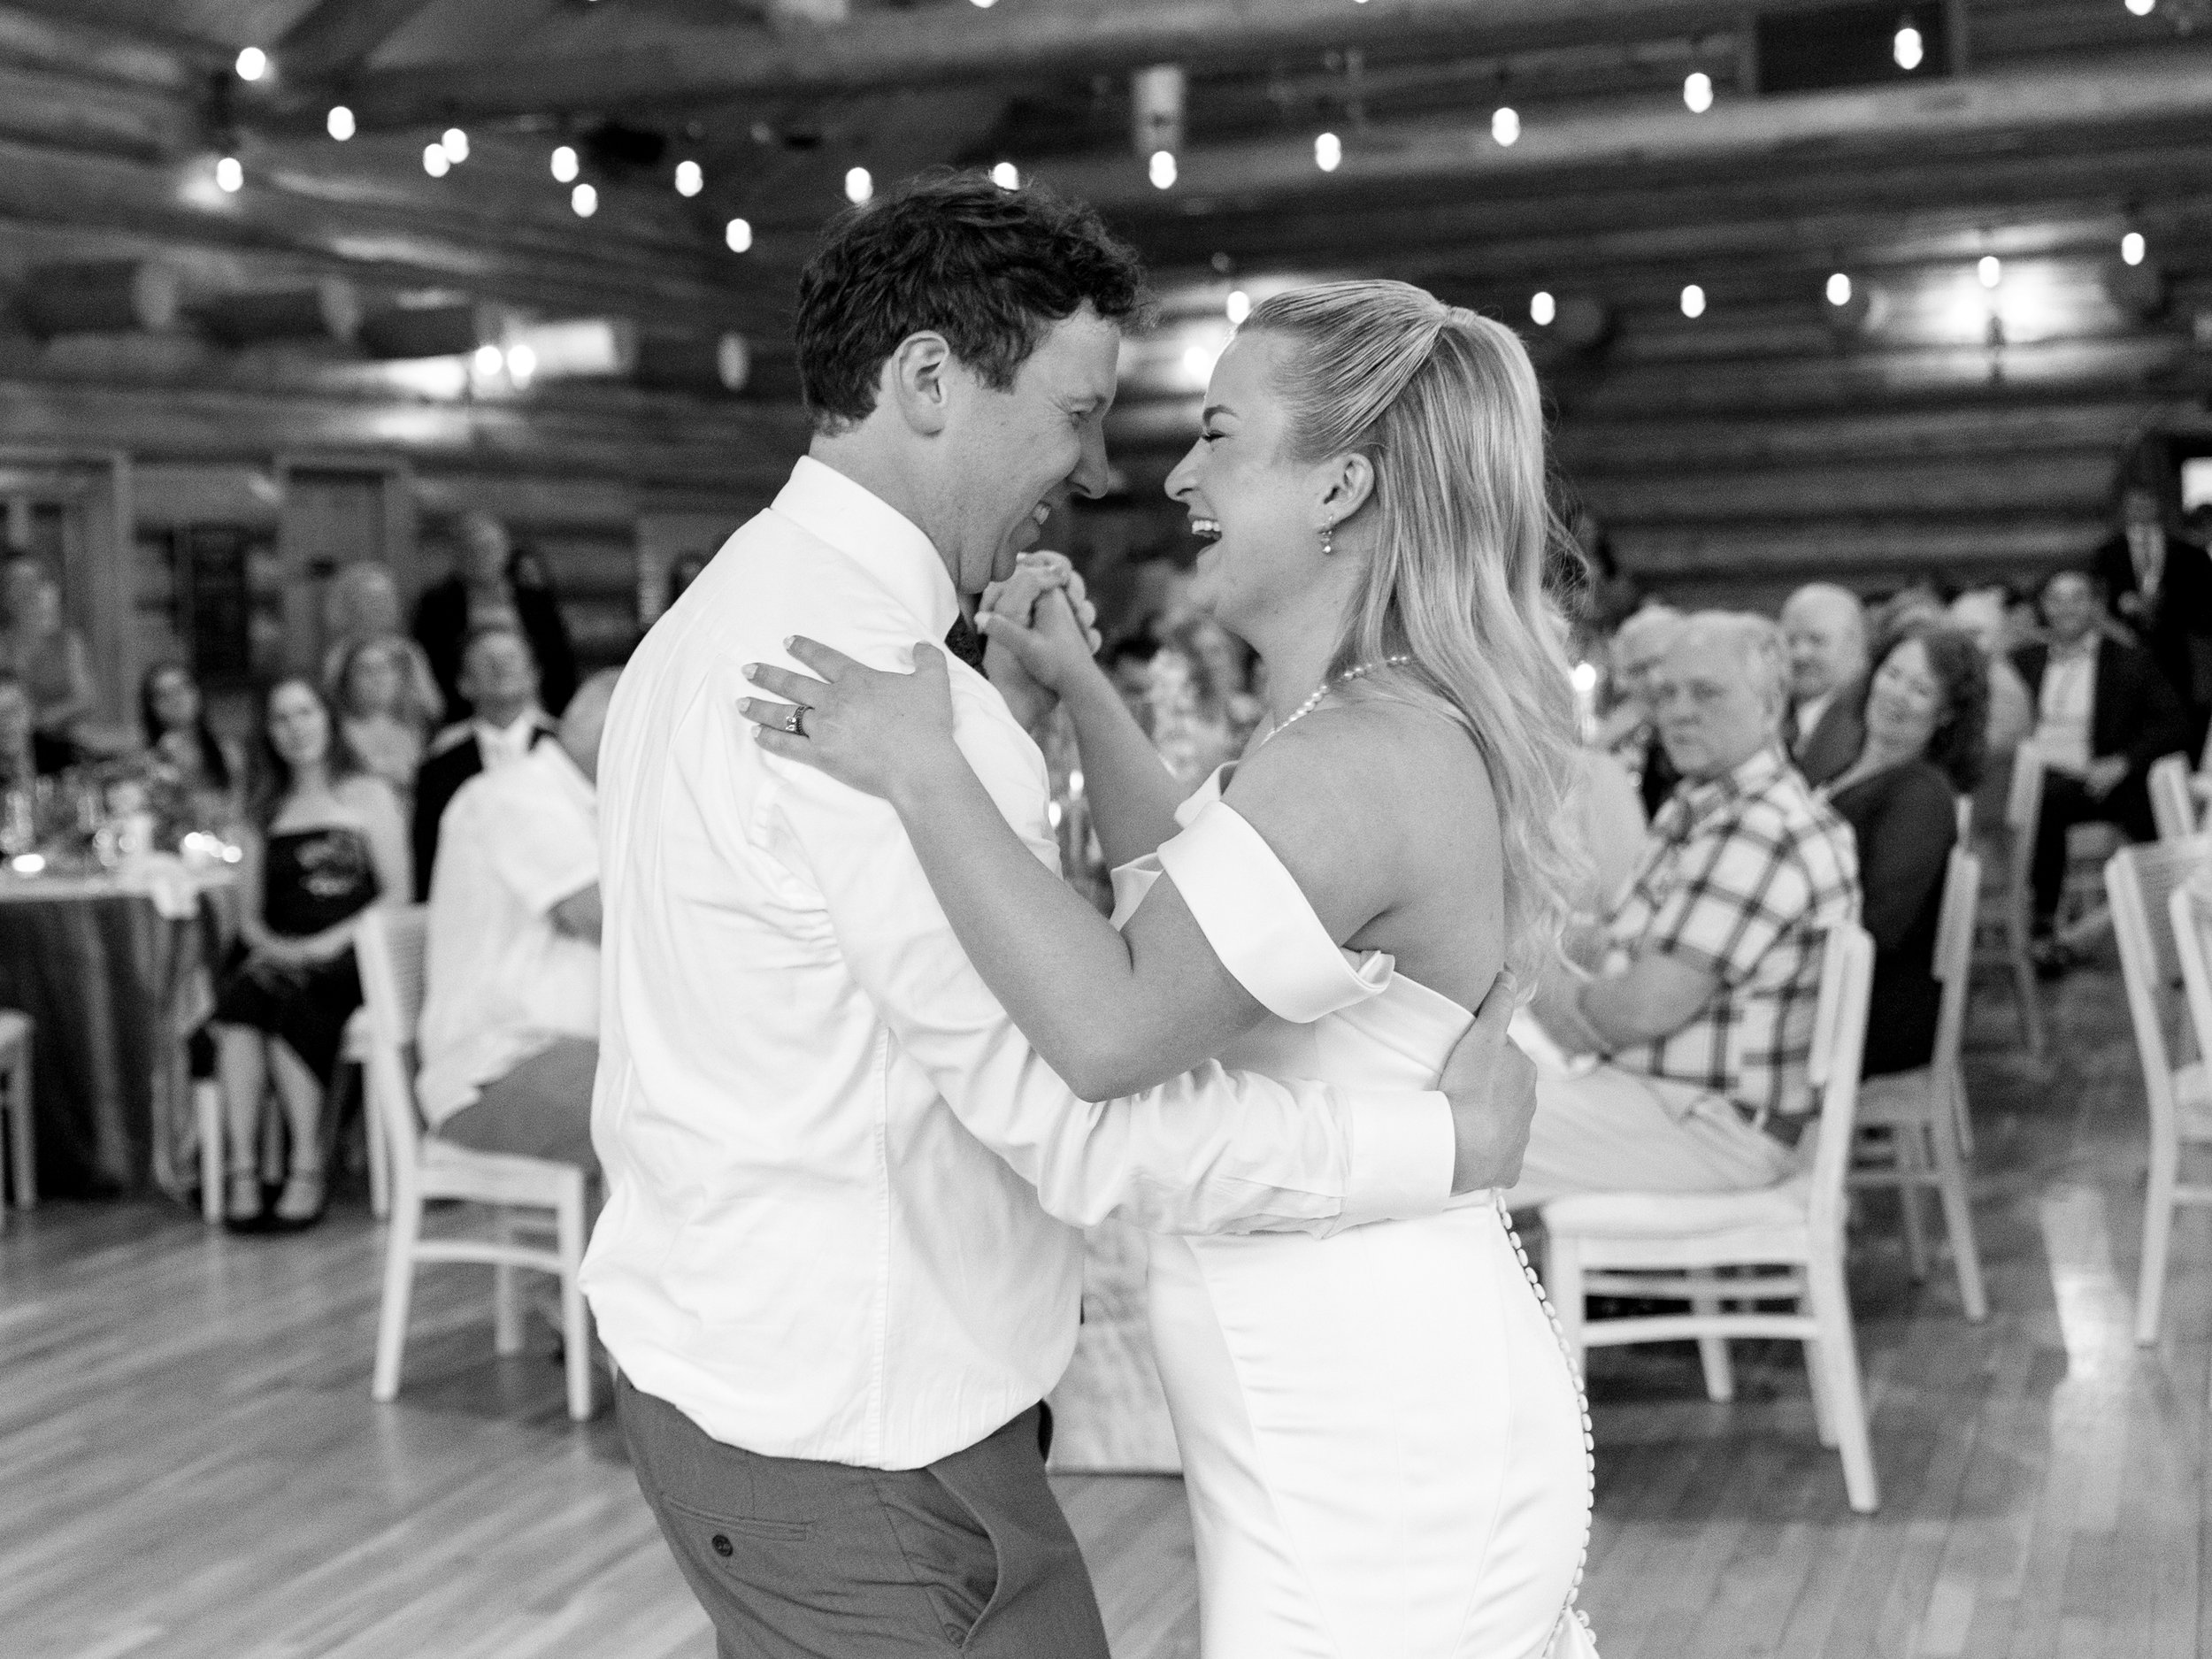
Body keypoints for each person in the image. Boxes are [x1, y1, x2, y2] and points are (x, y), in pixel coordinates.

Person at [587, 183, 1555, 1659]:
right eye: (1081, 412)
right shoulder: (877, 694)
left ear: (1346, 488)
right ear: (927, 380)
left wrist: (1000, 736)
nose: (1112, 472)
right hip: (859, 1427)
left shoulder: (732, 628)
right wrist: (1442, 1144)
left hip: (802, 1383)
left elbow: (1103, 998)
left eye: (1197, 434)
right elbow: (1079, 1094)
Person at [1503, 612, 1861, 1207]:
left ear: (1772, 704)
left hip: (1713, 1127)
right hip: (1669, 1099)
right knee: (1451, 1113)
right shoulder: (1705, 804)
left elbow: (1641, 1009)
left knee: (1449, 1139)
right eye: (1666, 693)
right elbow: (1623, 944)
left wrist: (1538, 974)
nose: (1678, 711)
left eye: (1707, 692)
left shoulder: (1762, 826)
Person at [209, 678, 408, 1229]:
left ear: (328, 718)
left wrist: (327, 943)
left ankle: (305, 1163)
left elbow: (396, 891)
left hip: (354, 948)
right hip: (280, 945)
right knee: (244, 999)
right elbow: (248, 916)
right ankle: (244, 1168)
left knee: (297, 999)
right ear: (268, 733)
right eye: (282, 718)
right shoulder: (262, 811)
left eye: (306, 713)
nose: (297, 729)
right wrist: (278, 947)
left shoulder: (369, 793)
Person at [416, 671, 616, 1171]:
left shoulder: (586, 801)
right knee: (676, 1105)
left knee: (701, 1088)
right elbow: (605, 920)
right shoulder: (516, 795)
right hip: (496, 1069)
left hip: (568, 1055)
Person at [1819, 626, 1986, 1077]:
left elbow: (1880, 926)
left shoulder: (1921, 797)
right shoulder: (1848, 767)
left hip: (1875, 1008)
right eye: (1892, 674)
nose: (1897, 694)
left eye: (1920, 689)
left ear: (1947, 712)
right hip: (1840, 985)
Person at [2013, 568, 2191, 965]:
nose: (2066, 608)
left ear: (2095, 605)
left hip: (2098, 778)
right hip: (2029, 776)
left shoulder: (2126, 660)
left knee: (2082, 799)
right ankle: (2036, 923)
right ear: (2043, 607)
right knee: (2035, 793)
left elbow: (2175, 721)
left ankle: (2154, 916)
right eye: (2055, 598)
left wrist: (2122, 762)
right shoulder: (2021, 661)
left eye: (2077, 597)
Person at [409, 627, 557, 900]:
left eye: (511, 658)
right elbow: (429, 863)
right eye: (488, 661)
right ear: (464, 683)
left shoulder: (563, 751)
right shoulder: (437, 768)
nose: (501, 667)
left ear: (534, 675)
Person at [411, 511, 579, 718]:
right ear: (459, 556)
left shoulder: (534, 598)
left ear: (506, 550)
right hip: (467, 714)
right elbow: (434, 665)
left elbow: (559, 659)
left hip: (535, 709)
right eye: (473, 550)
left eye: (491, 548)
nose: (483, 557)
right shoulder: (438, 604)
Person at [2096, 482, 2212, 757]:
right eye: (2135, 503)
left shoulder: (2187, 553)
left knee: (2182, 722)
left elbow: (2204, 604)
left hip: (2177, 653)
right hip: (2127, 648)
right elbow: (2099, 601)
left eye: (2147, 502)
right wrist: (2123, 605)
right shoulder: (2108, 553)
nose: (2141, 509)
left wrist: (2168, 606)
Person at [330, 635, 441, 802]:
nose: (377, 678)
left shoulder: (421, 729)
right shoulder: (336, 733)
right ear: (347, 680)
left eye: (385, 668)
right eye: (365, 670)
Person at [1779, 582, 1870, 787]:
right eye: (1790, 641)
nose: (1799, 654)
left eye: (1816, 640)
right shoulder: (1768, 716)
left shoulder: (1874, 720)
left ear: (1855, 644)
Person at [0, 553, 96, 744]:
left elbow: (86, 698)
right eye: (15, 582)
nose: (24, 591)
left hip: (62, 742)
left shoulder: (67, 642)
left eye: (31, 581)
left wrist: (41, 720)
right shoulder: (3, 643)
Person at [1600, 604, 1684, 818]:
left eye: (1659, 662)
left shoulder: (1709, 734)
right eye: (1639, 670)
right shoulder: (1636, 740)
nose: (1653, 681)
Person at [140, 662, 243, 823]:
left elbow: (238, 809)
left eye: (181, 688)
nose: (175, 700)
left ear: (197, 692)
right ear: (152, 706)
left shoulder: (227, 751)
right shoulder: (149, 763)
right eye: (164, 694)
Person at [1946, 588, 2035, 756]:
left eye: (1973, 634)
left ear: (1994, 636)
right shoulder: (1967, 674)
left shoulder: (2005, 687)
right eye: (1957, 634)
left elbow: (1990, 748)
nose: (1963, 644)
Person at [0, 669, 80, 787]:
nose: (6, 723)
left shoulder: (63, 757)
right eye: (1, 715)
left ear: (29, 712)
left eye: (13, 711)